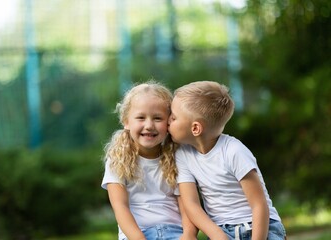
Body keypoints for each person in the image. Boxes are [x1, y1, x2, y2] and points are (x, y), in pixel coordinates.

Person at [168, 80, 287, 240]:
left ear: (195, 128)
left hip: (260, 227)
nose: (167, 120)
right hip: (222, 231)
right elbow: (191, 205)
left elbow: (259, 205)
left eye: (173, 118)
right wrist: (218, 235)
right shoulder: (183, 154)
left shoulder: (234, 151)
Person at [101, 81, 199, 240]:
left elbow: (187, 203)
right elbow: (120, 207)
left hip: (175, 232)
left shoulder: (178, 156)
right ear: (126, 121)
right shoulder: (117, 159)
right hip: (136, 234)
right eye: (140, 117)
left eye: (158, 118)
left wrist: (189, 234)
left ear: (169, 122)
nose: (149, 125)